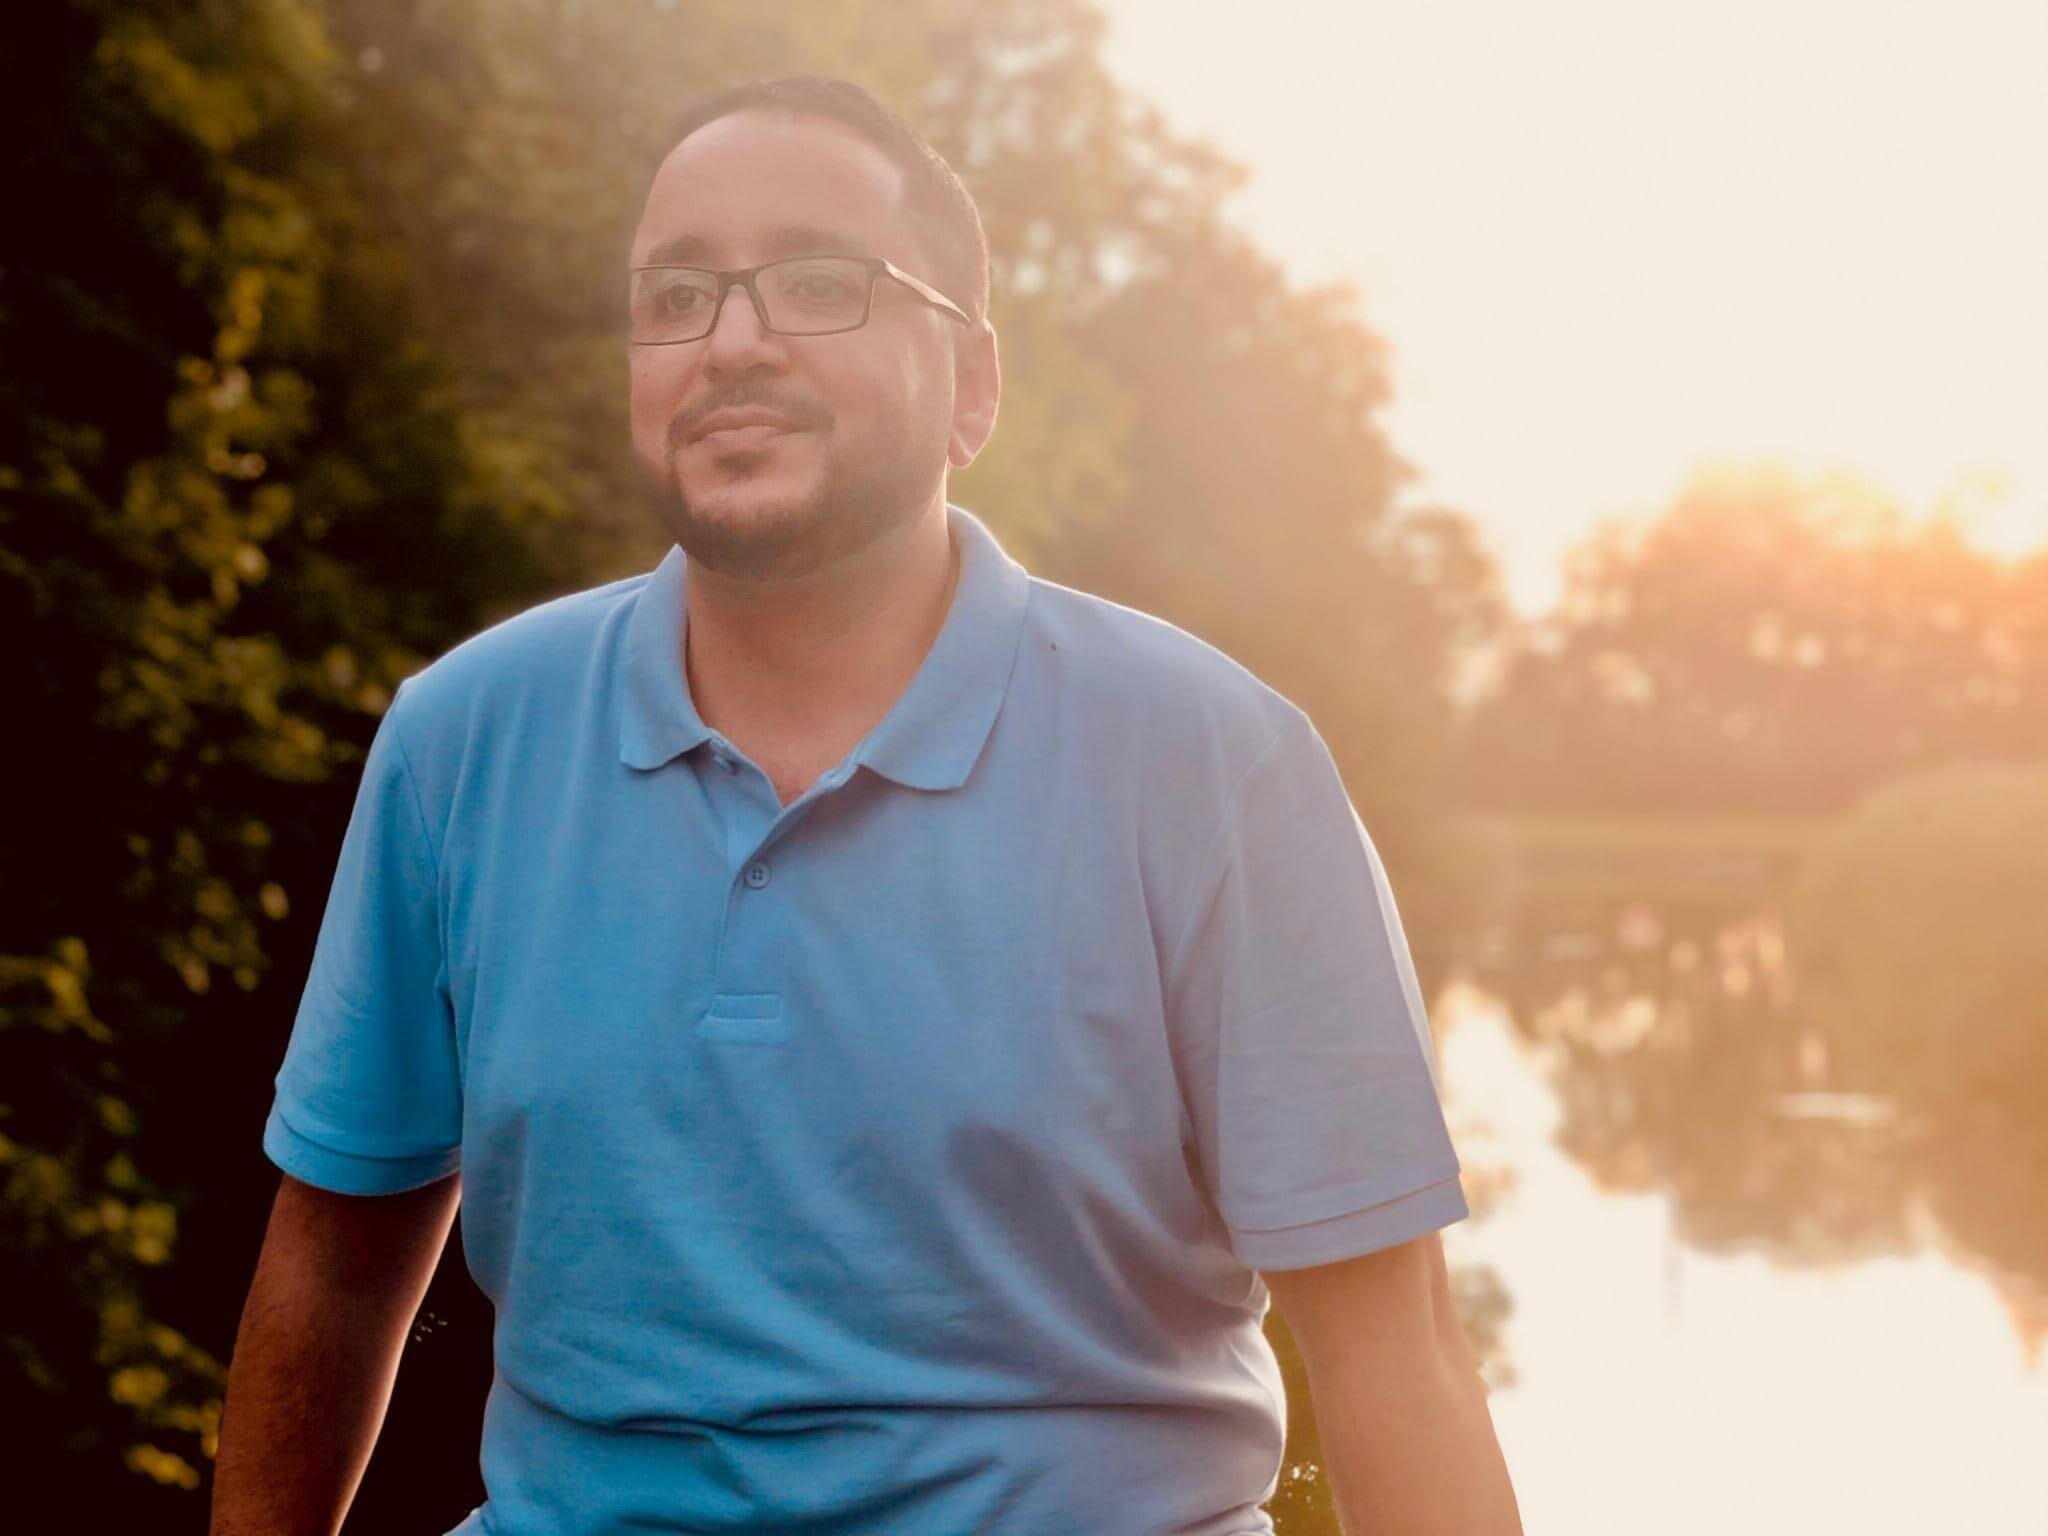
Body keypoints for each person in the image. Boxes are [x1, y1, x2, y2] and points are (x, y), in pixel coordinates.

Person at [210, 73, 1521, 1536]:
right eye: (677, 296)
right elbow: (330, 1274)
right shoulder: (463, 741)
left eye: (820, 283)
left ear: (972, 387)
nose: (733, 342)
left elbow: (1396, 1350)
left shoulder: (1215, 765)